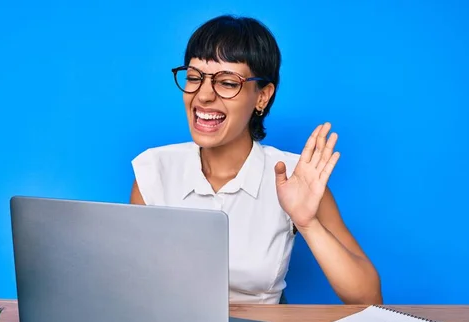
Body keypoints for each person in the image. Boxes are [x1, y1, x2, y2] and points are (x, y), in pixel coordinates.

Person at [129, 15, 382, 305]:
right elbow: (138, 286)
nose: (204, 95)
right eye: (194, 77)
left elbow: (368, 298)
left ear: (262, 96)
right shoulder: (154, 172)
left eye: (227, 82)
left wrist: (308, 223)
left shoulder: (298, 178)